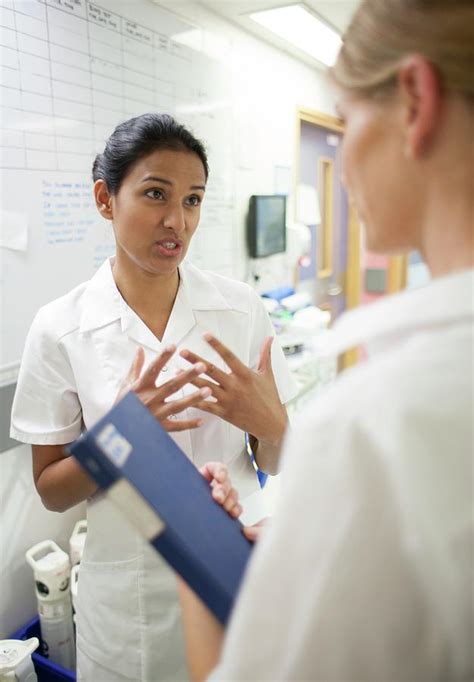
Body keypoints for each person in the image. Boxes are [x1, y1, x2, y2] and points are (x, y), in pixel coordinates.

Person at [177, 0, 474, 679]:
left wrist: (196, 556)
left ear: (416, 100)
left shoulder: (379, 420)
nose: (343, 163)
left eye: (346, 124)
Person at [10, 114, 297, 681]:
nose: (177, 221)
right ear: (105, 199)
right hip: (127, 594)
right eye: (155, 194)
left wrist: (269, 426)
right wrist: (120, 436)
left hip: (233, 562)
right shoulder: (59, 326)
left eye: (193, 200)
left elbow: (277, 458)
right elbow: (50, 491)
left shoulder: (240, 310)